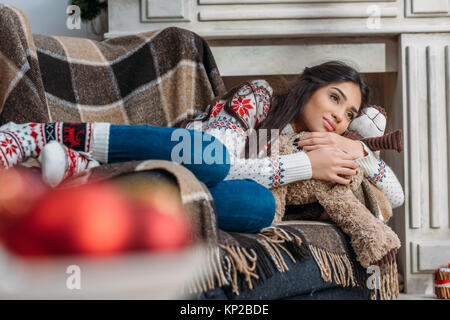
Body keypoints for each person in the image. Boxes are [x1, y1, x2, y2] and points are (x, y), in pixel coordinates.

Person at [0, 60, 404, 233]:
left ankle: (84, 176)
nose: (341, 116)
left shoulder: (334, 143)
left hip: (209, 190)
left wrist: (361, 152)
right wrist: (306, 165)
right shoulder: (259, 98)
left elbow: (395, 197)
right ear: (310, 86)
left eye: (351, 113)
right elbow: (219, 162)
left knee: (258, 206)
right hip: (182, 157)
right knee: (209, 159)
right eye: (335, 98)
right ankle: (36, 134)